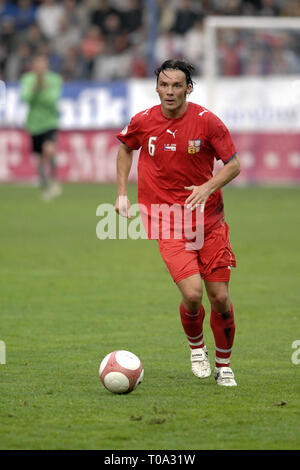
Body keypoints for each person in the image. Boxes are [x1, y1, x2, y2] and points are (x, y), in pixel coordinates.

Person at [114, 59, 240, 387]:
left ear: (189, 88)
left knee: (221, 298)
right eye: (164, 85)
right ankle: (197, 348)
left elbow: (234, 164)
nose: (170, 92)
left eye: (177, 86)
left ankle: (224, 366)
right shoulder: (143, 121)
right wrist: (122, 193)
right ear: (156, 87)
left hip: (209, 221)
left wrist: (208, 186)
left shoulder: (207, 122)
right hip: (166, 220)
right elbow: (126, 149)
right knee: (194, 294)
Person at [20, 53, 62, 200]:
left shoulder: (54, 79)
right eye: (37, 63)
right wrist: (36, 87)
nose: (40, 66)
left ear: (46, 65)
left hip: (50, 121)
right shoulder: (27, 79)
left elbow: (52, 99)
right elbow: (25, 98)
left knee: (49, 149)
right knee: (38, 158)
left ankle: (54, 179)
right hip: (34, 123)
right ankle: (46, 186)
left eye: (42, 63)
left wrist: (40, 91)